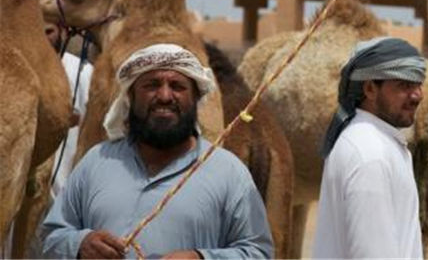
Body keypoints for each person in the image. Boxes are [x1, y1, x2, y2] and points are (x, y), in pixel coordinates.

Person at [40, 43, 273, 259]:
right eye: (151, 85)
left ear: (195, 99)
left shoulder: (230, 172)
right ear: (130, 96)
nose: (164, 96)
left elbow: (259, 253)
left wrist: (201, 258)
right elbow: (49, 239)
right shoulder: (96, 161)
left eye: (177, 86)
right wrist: (80, 244)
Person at [312, 36, 426, 259]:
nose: (417, 95)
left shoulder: (373, 142)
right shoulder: (370, 154)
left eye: (418, 84)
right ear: (370, 89)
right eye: (404, 85)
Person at [44, 21, 94, 199]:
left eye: (48, 32)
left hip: (64, 190)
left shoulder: (83, 72)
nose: (42, 40)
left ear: (64, 32)